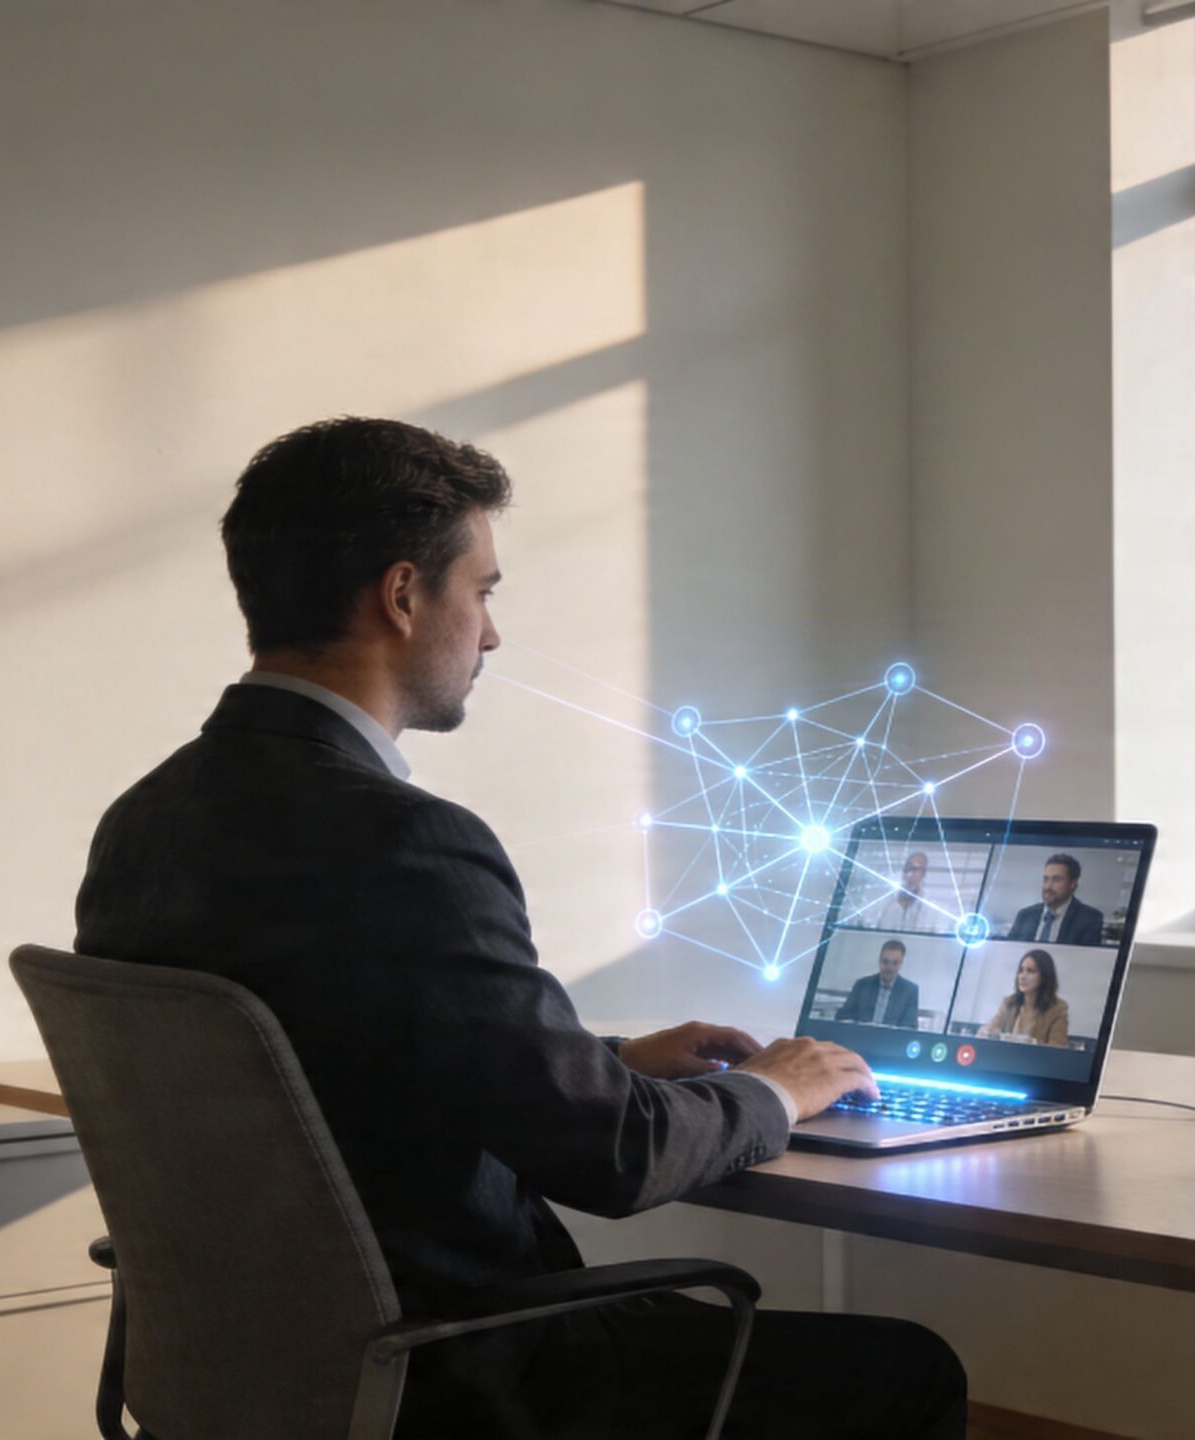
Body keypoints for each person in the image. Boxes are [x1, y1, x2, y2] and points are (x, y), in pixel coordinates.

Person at [74, 418, 964, 1439]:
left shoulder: (146, 822)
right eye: (483, 591)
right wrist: (775, 1089)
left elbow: (336, 1056)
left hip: (272, 1373)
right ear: (404, 596)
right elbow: (613, 1161)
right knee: (907, 1370)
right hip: (460, 1374)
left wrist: (612, 1057)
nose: (490, 633)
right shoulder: (408, 844)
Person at [1005, 854, 1104, 946]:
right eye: (1046, 879)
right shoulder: (1025, 915)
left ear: (1073, 883)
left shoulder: (1089, 919)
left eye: (1056, 879)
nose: (1048, 886)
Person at [982, 949, 1070, 1048]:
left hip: (1035, 1062)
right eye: (1021, 971)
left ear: (1044, 977)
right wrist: (992, 1034)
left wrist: (1031, 1043)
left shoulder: (1058, 1008)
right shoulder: (1009, 1003)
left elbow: (1058, 1047)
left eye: (1031, 971)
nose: (1023, 976)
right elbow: (984, 1032)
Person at [833, 939, 922, 1027]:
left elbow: (909, 1027)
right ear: (879, 961)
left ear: (901, 964)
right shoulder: (862, 985)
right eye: (885, 961)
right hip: (860, 1038)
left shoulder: (910, 991)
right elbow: (842, 1017)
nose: (889, 967)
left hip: (891, 1040)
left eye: (895, 963)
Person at [869, 850, 952, 932]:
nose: (911, 873)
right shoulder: (883, 906)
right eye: (908, 868)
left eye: (916, 869)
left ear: (924, 874)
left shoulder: (934, 912)